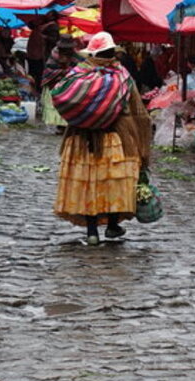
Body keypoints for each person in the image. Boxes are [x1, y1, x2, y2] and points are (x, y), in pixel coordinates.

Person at [53, 32, 151, 245]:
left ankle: (92, 232)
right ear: (112, 52)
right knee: (112, 184)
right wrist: (142, 142)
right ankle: (112, 225)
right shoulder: (121, 75)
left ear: (92, 53)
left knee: (89, 184)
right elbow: (138, 112)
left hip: (82, 140)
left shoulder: (78, 73)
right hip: (114, 139)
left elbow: (62, 96)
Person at [42, 34, 82, 131]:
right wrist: (63, 71)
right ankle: (60, 125)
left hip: (69, 83)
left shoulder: (75, 55)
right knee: (55, 104)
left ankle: (65, 125)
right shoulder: (55, 53)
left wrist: (71, 71)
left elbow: (80, 66)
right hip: (54, 82)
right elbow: (50, 69)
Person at [26, 18, 47, 90]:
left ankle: (34, 89)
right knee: (37, 77)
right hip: (36, 58)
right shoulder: (36, 33)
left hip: (34, 57)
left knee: (34, 76)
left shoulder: (36, 33)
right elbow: (39, 45)